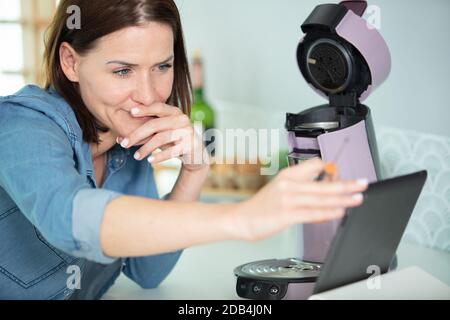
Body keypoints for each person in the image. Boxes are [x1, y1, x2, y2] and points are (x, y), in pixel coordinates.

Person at [0, 0, 368, 299]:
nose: (148, 94)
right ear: (71, 63)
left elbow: (148, 271)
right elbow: (70, 217)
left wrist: (194, 172)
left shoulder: (126, 142)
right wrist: (242, 218)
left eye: (162, 66)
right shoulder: (22, 125)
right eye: (123, 71)